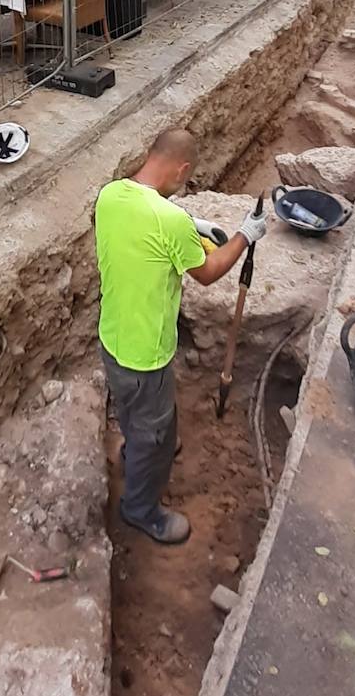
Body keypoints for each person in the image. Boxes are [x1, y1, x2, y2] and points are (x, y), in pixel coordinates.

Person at [94, 129, 266, 545]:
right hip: (146, 354)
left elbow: (149, 220)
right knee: (152, 426)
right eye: (185, 181)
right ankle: (140, 510)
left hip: (113, 338)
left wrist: (192, 224)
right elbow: (208, 273)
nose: (182, 186)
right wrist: (245, 234)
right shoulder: (170, 222)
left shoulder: (111, 194)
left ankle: (136, 451)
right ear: (182, 168)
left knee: (139, 413)